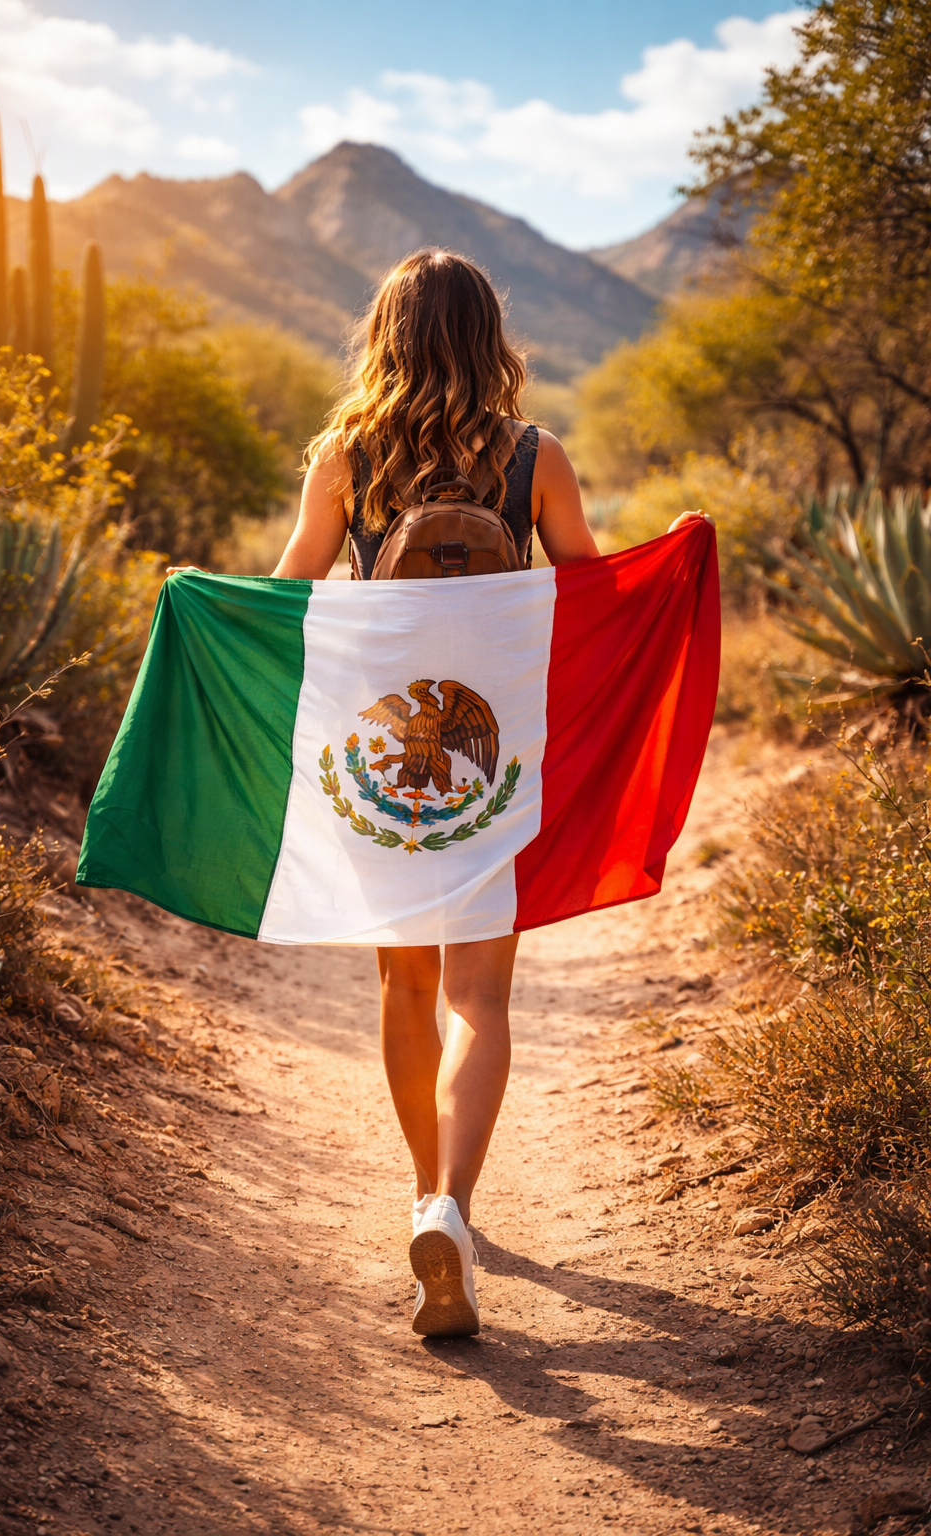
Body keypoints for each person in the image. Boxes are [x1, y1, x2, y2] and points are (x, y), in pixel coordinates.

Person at [173, 248, 708, 1338]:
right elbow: (589, 602)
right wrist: (678, 564)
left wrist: (195, 598)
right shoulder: (536, 457)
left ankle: (425, 1196)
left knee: (405, 987)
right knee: (482, 999)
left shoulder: (344, 457)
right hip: (491, 758)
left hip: (381, 759)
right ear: (488, 337)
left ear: (386, 335)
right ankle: (453, 1207)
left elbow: (284, 607)